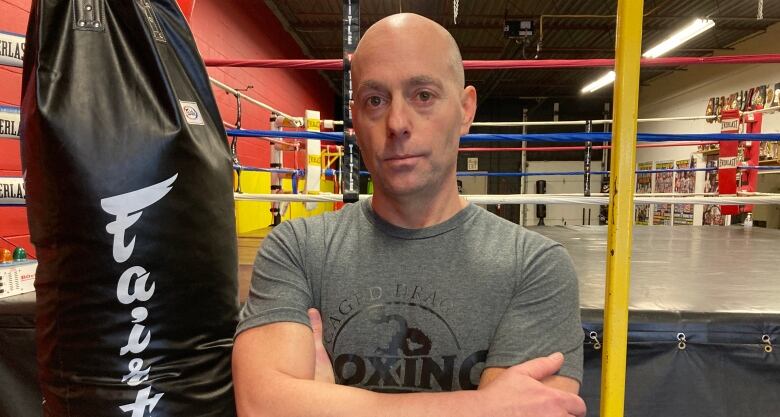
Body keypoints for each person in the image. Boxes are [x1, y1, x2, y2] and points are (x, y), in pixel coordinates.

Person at [233, 13, 585, 417]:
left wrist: (322, 405)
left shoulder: (535, 268)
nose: (397, 123)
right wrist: (480, 407)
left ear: (466, 109)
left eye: (422, 95)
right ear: (356, 121)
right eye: (375, 100)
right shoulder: (296, 249)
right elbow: (262, 406)